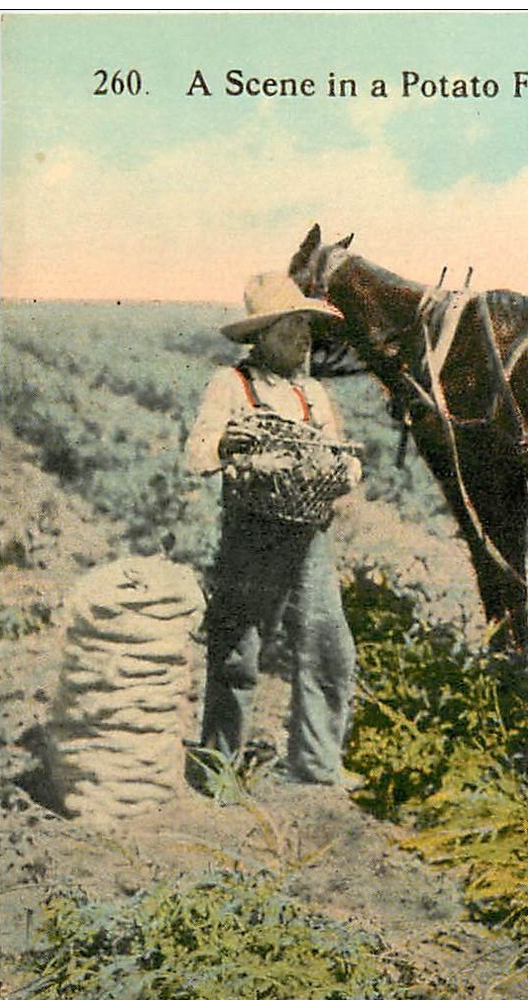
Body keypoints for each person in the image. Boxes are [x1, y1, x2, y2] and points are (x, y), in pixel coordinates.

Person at [185, 272, 362, 788]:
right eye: (291, 329)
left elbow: (345, 463)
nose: (304, 339)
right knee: (238, 649)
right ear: (260, 337)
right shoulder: (230, 385)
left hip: (309, 534)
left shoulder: (313, 394)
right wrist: (231, 447)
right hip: (252, 532)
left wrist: (342, 473)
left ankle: (317, 765)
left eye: (307, 328)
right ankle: (218, 770)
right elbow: (196, 454)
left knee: (328, 646)